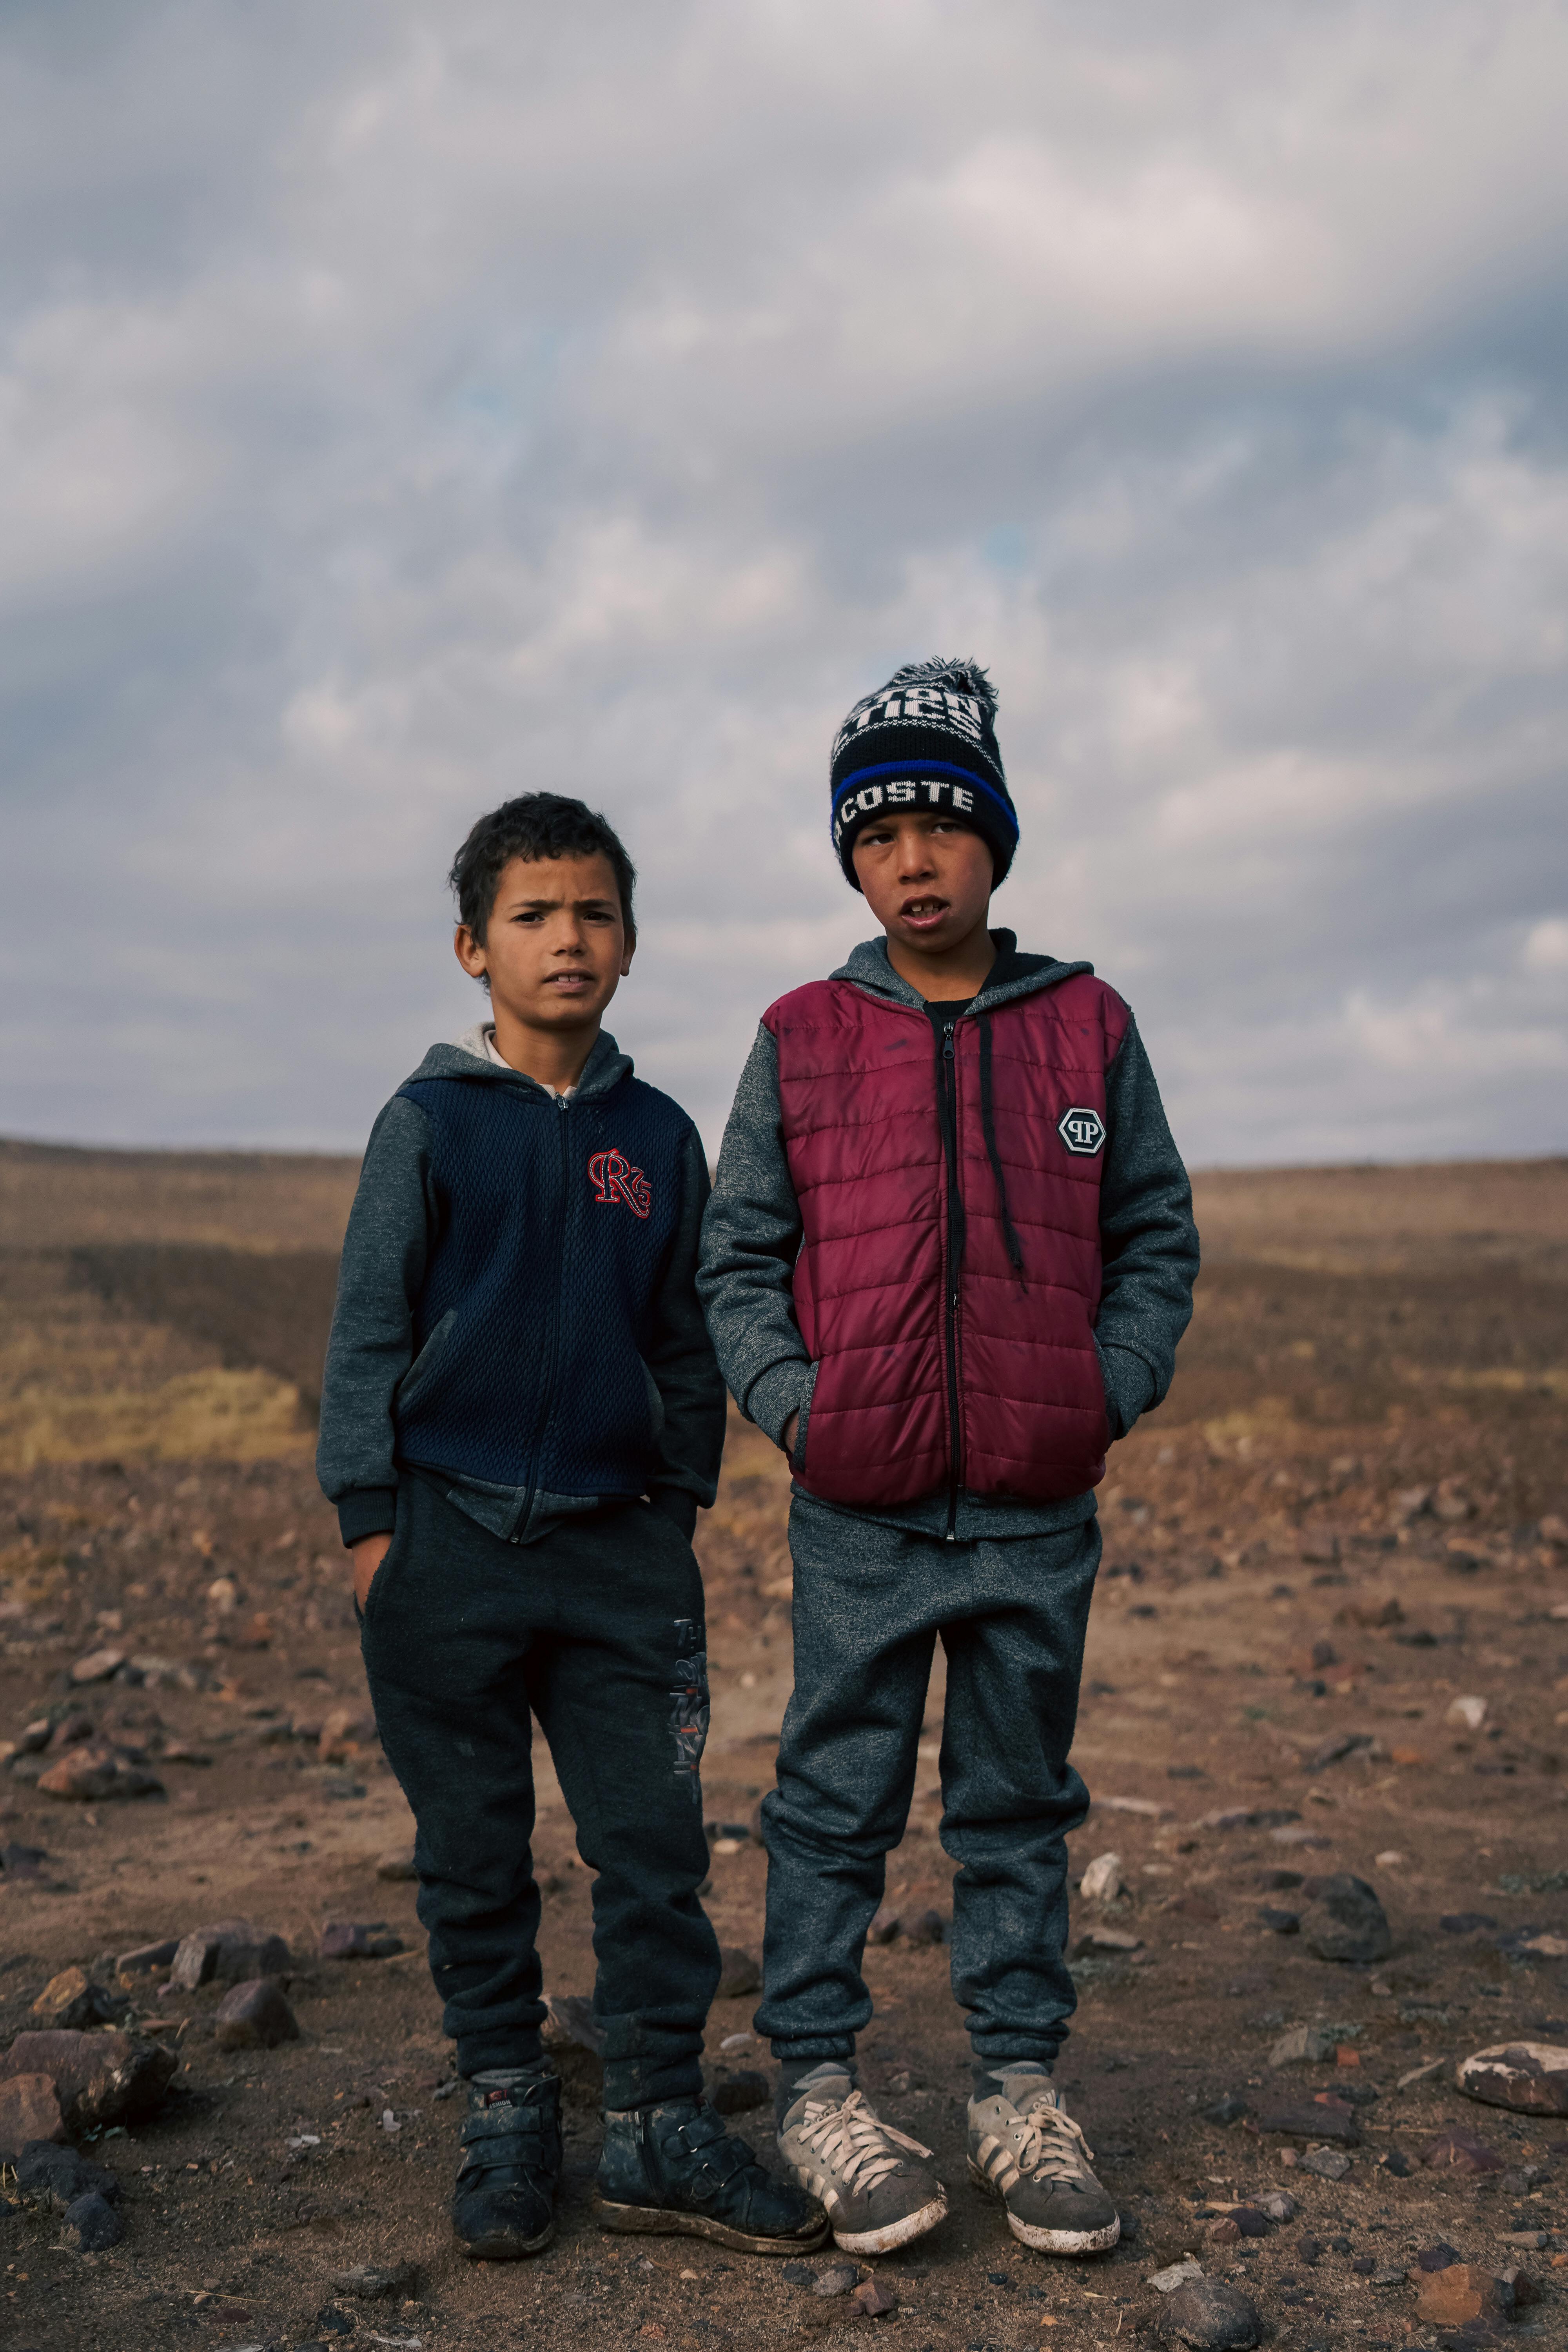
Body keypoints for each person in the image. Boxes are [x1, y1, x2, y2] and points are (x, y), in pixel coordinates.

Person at [698, 661, 1199, 2260]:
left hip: (1036, 1507)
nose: (913, 859)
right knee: (832, 1801)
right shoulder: (801, 1036)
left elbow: (1152, 1235)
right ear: (850, 861)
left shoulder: (1088, 1028)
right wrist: (803, 1407)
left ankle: (1014, 2091)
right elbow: (737, 1259)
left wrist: (1094, 1393)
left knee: (1013, 1804)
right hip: (861, 1501)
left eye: (941, 825)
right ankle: (823, 2089)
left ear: (995, 843)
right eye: (880, 833)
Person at [316, 793, 827, 2264]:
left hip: (622, 1559)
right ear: (474, 947)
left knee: (655, 1845)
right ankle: (508, 2111)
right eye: (535, 917)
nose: (568, 940)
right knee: (473, 1855)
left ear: (630, 943)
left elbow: (687, 1339)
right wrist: (374, 1531)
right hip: (444, 1550)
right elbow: (365, 1336)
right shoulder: (425, 1127)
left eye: (595, 914)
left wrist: (672, 1506)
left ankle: (665, 2120)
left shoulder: (659, 1137)